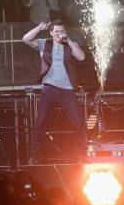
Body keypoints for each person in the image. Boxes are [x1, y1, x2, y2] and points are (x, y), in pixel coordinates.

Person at [22, 20, 86, 164]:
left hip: (67, 89)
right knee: (40, 122)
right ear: (51, 33)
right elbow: (25, 39)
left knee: (78, 122)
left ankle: (82, 154)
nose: (59, 34)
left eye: (61, 31)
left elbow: (81, 57)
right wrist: (39, 27)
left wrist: (68, 40)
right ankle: (35, 156)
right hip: (49, 88)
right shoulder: (44, 43)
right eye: (56, 31)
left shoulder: (70, 44)